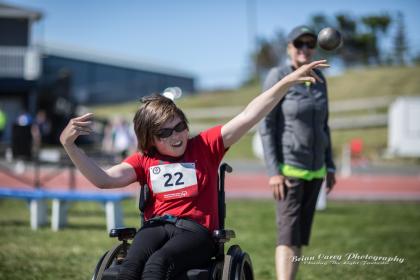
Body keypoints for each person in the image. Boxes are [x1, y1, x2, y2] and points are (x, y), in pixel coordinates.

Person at [59, 59, 328, 280]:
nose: (176, 135)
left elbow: (248, 115)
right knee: (130, 267)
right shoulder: (144, 159)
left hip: (195, 232)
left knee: (158, 265)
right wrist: (70, 146)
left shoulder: (205, 145)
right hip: (155, 227)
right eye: (165, 132)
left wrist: (285, 83)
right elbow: (104, 179)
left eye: (179, 126)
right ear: (149, 139)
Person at [258, 26, 337, 280]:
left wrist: (330, 165)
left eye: (309, 44)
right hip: (288, 171)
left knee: (300, 236)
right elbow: (266, 125)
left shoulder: (320, 79)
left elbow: (324, 125)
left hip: (315, 170)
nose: (305, 48)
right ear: (289, 47)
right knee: (287, 235)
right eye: (299, 44)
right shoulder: (278, 75)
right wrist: (273, 172)